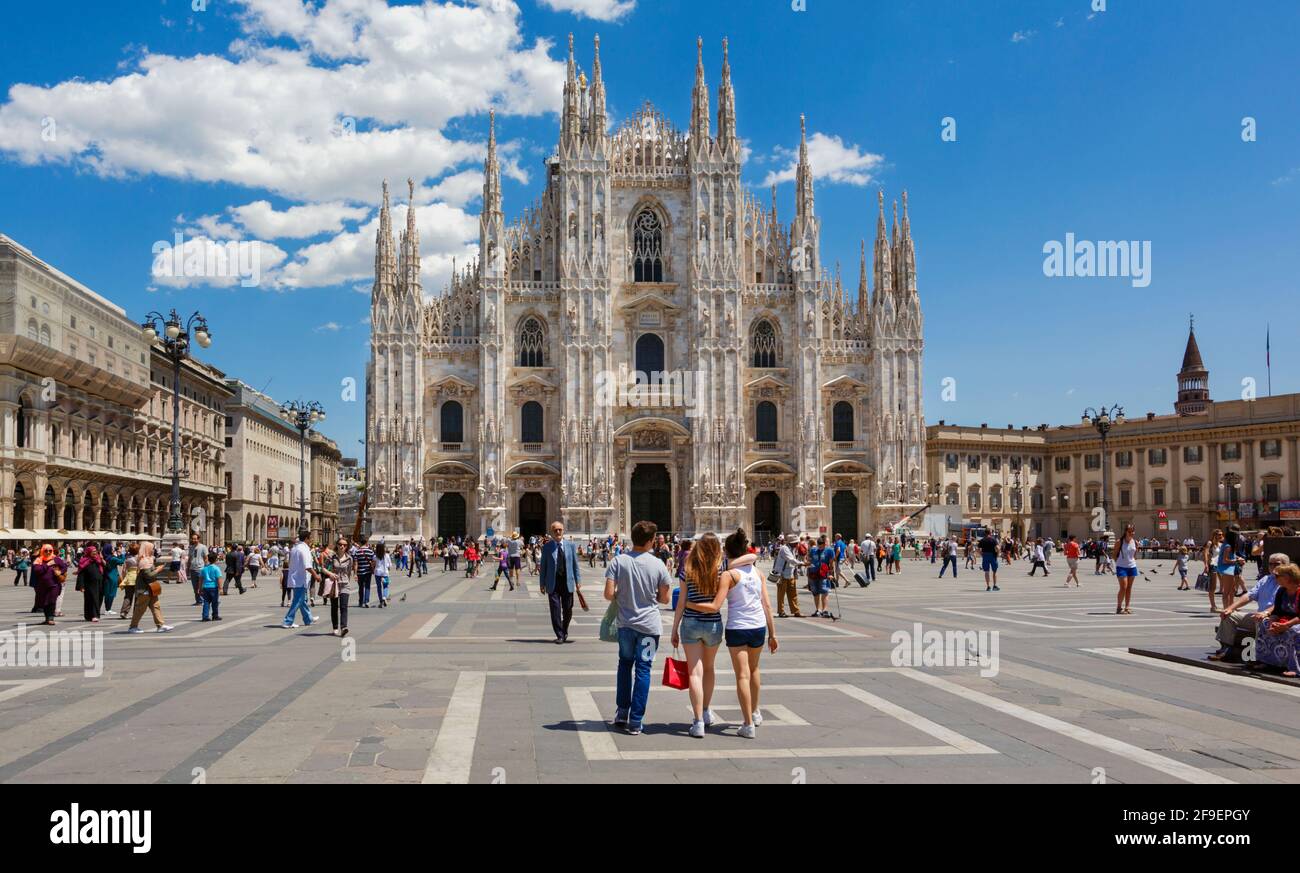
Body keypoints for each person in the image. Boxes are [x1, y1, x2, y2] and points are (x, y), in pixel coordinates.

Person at [684, 529, 778, 739]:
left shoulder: (728, 574)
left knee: (742, 675)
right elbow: (768, 605)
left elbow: (716, 605)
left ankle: (747, 724)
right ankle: (755, 713)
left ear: (728, 551)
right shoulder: (758, 572)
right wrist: (772, 634)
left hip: (738, 628)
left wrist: (689, 604)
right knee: (754, 670)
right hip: (759, 627)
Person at [604, 520, 672, 735]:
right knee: (644, 670)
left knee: (625, 665)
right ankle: (636, 721)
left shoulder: (618, 561)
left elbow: (608, 594)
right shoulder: (658, 564)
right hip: (650, 628)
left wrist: (623, 596)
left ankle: (622, 712)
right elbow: (665, 599)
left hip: (625, 625)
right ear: (652, 541)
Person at [671, 532, 725, 738]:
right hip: (713, 624)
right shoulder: (721, 571)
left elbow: (681, 602)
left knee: (694, 672)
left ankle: (698, 722)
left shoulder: (688, 569)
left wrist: (674, 628)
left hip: (691, 623)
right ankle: (706, 710)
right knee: (709, 668)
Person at [1211, 552, 1285, 661]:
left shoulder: (1287, 582)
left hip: (1276, 617)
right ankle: (1226, 649)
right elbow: (1249, 596)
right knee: (1230, 616)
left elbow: (1280, 604)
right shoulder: (1265, 579)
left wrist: (1266, 613)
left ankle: (1259, 656)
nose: (1273, 566)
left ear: (1285, 565)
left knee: (1261, 620)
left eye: (1277, 564)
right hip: (1259, 616)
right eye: (1270, 564)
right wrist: (1230, 608)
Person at [540, 520, 584, 644]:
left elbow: (575, 565)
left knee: (568, 609)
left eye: (560, 529)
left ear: (563, 530)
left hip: (567, 582)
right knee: (555, 609)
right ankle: (559, 634)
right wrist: (542, 584)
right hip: (553, 582)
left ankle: (564, 630)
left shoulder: (570, 545)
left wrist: (578, 580)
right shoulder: (547, 547)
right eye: (555, 530)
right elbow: (543, 566)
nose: (558, 532)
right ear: (552, 532)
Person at [1254, 563, 1300, 677]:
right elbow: (1276, 611)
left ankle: (1295, 668)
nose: (1275, 578)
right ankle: (1267, 661)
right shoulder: (1281, 591)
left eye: (1278, 575)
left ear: (1288, 577)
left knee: (1293, 631)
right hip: (1285, 620)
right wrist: (1271, 623)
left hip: (1295, 621)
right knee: (1264, 624)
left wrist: (1286, 625)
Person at [128, 542, 173, 633]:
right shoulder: (144, 561)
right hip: (144, 589)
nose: (153, 550)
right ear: (147, 549)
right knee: (140, 609)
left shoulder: (148, 559)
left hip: (151, 588)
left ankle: (160, 625)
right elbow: (148, 575)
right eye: (152, 548)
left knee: (156, 606)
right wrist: (158, 570)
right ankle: (133, 627)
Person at [282, 529, 318, 629]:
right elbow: (307, 565)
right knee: (298, 601)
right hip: (300, 579)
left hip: (295, 577)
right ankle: (288, 621)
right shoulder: (304, 549)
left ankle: (308, 619)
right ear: (306, 538)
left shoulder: (295, 548)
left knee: (301, 600)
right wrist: (316, 575)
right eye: (310, 538)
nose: (311, 540)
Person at [31, 544, 67, 626]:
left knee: (51, 601)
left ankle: (51, 618)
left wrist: (60, 572)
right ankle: (47, 618)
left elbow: (64, 567)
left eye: (50, 550)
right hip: (42, 586)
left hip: (54, 585)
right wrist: (47, 565)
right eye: (46, 550)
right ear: (42, 551)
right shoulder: (38, 560)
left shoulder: (56, 559)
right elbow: (37, 570)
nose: (48, 552)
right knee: (44, 603)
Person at [323, 537, 353, 637]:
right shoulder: (331, 557)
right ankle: (335, 627)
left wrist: (346, 581)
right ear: (337, 545)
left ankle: (344, 627)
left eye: (344, 545)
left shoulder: (349, 558)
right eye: (340, 544)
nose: (342, 546)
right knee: (334, 607)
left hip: (345, 585)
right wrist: (330, 574)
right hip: (334, 584)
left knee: (344, 607)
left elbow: (349, 572)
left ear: (347, 547)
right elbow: (322, 568)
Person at [773, 535, 804, 617]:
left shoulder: (793, 549)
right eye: (796, 542)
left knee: (793, 594)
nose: (798, 544)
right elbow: (791, 560)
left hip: (790, 574)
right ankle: (781, 612)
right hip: (782, 575)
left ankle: (796, 611)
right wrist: (802, 563)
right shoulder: (784, 549)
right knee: (781, 594)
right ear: (792, 543)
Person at [75, 544, 106, 623]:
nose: (95, 553)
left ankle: (89, 615)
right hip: (89, 584)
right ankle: (94, 615)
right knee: (92, 599)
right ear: (89, 552)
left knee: (99, 599)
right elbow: (81, 574)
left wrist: (102, 559)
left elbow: (107, 568)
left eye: (96, 551)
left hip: (99, 583)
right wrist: (81, 586)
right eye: (93, 551)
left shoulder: (98, 560)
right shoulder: (84, 561)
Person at [1113, 524, 1139, 615]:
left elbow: (1135, 555)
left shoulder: (1135, 542)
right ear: (1125, 532)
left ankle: (1127, 607)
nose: (1131, 533)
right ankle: (1119, 607)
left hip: (1132, 567)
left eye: (1133, 531)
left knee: (1129, 588)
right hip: (1121, 567)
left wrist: (1132, 561)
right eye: (1129, 531)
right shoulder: (1119, 542)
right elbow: (1114, 554)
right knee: (1123, 587)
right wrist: (1119, 563)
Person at [806, 535, 834, 618]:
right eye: (819, 545)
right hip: (813, 573)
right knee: (815, 592)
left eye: (822, 546)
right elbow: (809, 560)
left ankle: (824, 610)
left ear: (825, 544)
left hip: (824, 574)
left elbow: (831, 563)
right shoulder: (813, 550)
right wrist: (808, 568)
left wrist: (831, 574)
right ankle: (818, 610)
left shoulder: (829, 550)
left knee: (824, 591)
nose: (821, 547)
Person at [199, 551, 223, 621]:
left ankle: (205, 616)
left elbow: (201, 579)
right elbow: (219, 578)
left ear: (208, 559)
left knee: (206, 602)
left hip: (205, 587)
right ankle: (215, 615)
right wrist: (220, 588)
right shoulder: (216, 568)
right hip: (214, 587)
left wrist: (200, 588)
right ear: (216, 559)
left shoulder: (204, 568)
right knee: (214, 602)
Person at [353, 535, 376, 608]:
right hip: (368, 572)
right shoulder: (370, 551)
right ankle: (366, 601)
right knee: (367, 586)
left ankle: (360, 602)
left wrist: (355, 573)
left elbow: (355, 564)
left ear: (360, 543)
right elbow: (373, 561)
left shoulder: (357, 552)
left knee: (360, 587)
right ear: (366, 542)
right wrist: (372, 568)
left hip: (360, 572)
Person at [373, 542, 392, 607]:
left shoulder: (375, 556)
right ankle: (384, 597)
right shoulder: (387, 555)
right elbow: (389, 565)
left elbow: (373, 565)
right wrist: (388, 569)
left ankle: (381, 601)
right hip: (385, 573)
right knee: (385, 586)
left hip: (377, 573)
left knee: (379, 587)